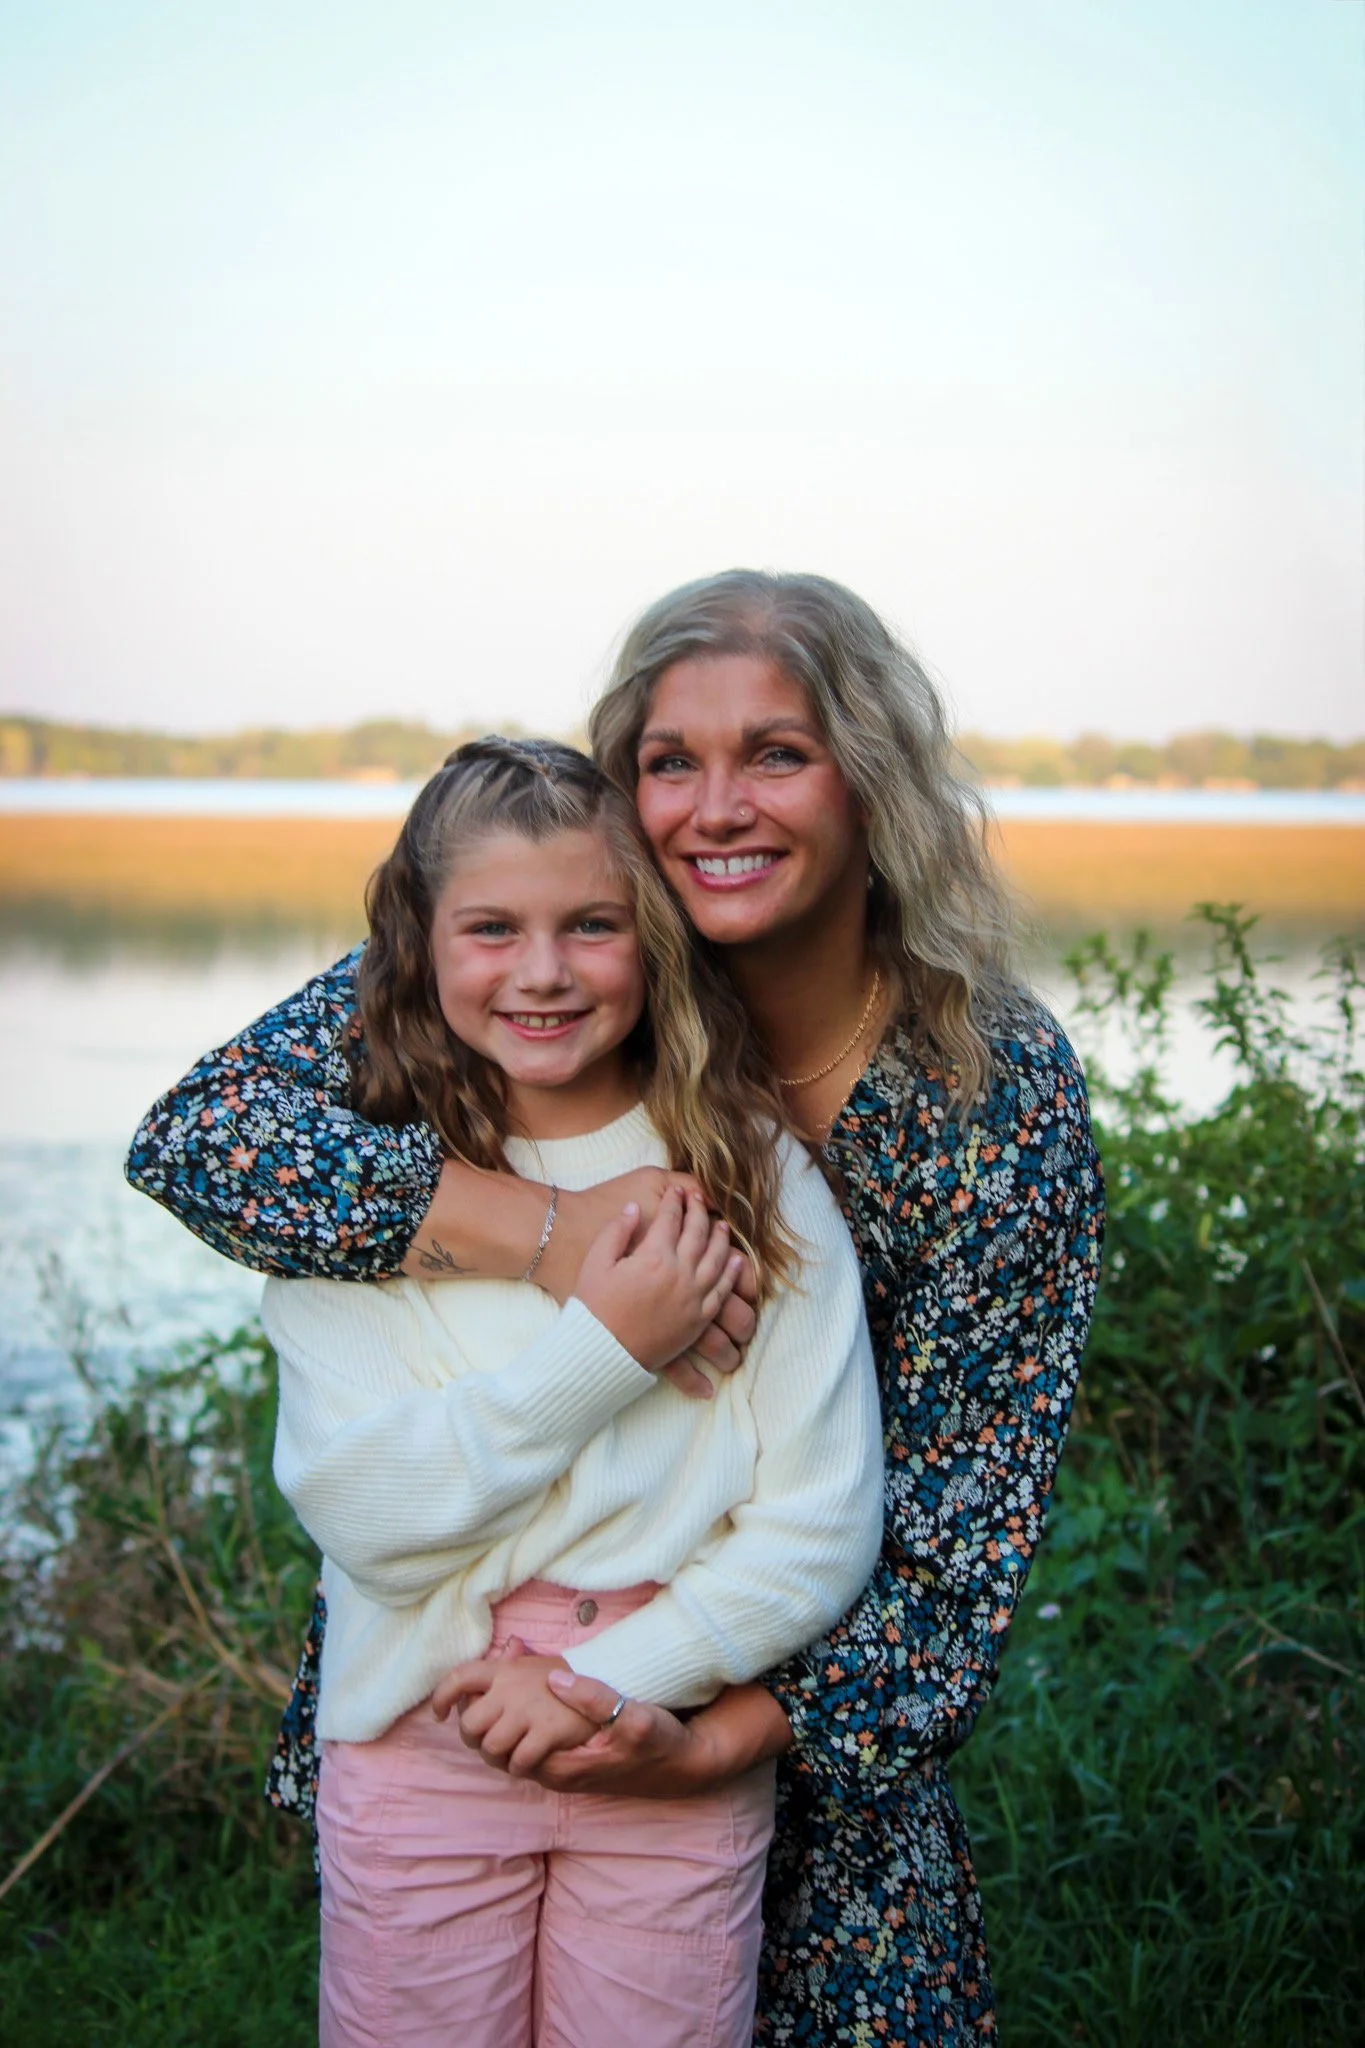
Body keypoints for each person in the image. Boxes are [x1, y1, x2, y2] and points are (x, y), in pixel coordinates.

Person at [127, 570, 1104, 2046]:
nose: (717, 807)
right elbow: (201, 1139)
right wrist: (552, 1238)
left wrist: (699, 1735)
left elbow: (962, 1543)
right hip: (457, 1685)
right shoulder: (548, 946)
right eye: (668, 762)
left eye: (776, 752)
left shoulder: (989, 1094)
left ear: (872, 782)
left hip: (797, 1707)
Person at [257, 734, 884, 2047]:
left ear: (653, 940)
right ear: (418, 945)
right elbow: (365, 1514)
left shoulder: (752, 1177)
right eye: (491, 927)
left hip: (665, 1740)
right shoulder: (364, 1200)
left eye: (591, 924)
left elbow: (820, 1522)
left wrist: (614, 1681)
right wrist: (608, 1341)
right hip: (418, 1748)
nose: (541, 971)